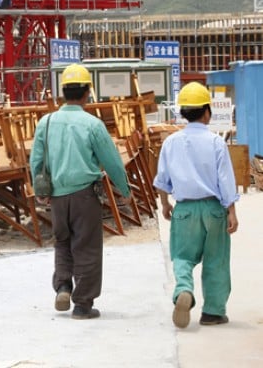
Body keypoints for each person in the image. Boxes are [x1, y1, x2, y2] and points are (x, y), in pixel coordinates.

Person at [29, 63, 131, 320]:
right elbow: (111, 160)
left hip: (58, 197)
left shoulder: (46, 122)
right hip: (86, 195)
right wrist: (124, 189)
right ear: (87, 92)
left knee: (63, 242)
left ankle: (63, 286)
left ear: (63, 91)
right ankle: (83, 304)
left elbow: (36, 160)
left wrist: (39, 188)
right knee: (86, 247)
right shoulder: (93, 124)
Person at [154, 82, 239, 329]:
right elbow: (226, 180)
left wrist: (165, 205)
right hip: (213, 209)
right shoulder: (216, 142)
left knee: (182, 257)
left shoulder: (171, 142)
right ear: (206, 112)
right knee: (216, 260)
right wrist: (231, 211)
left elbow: (162, 180)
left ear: (183, 113)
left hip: (185, 210)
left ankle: (184, 290)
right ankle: (213, 312)